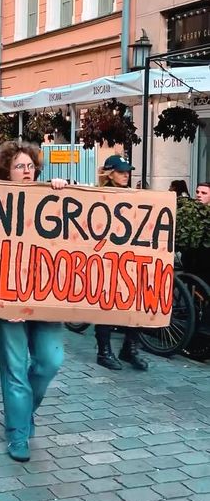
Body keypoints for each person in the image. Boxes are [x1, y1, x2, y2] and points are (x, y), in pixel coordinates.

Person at [0, 140, 67, 462]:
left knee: (50, 360)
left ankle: (24, 412)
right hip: (8, 298)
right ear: (7, 173)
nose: (27, 172)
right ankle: (18, 434)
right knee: (14, 369)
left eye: (30, 166)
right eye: (19, 167)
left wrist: (65, 191)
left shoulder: (51, 195)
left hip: (47, 296)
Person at [94, 155, 149, 372]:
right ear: (110, 173)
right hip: (107, 257)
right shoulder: (100, 195)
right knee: (106, 303)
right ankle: (104, 351)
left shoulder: (134, 195)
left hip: (130, 257)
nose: (126, 175)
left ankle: (129, 348)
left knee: (136, 301)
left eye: (127, 171)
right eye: (121, 171)